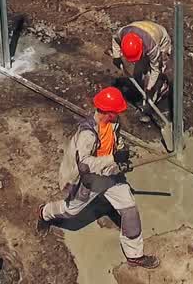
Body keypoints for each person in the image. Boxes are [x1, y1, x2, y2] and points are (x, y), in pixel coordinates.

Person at [37, 86, 160, 269]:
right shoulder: (87, 134)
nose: (119, 115)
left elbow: (116, 143)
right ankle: (43, 213)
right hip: (89, 180)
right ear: (108, 112)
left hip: (110, 175)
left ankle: (135, 255)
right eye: (116, 112)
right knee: (70, 211)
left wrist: (121, 156)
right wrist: (113, 158)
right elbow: (85, 165)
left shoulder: (112, 124)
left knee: (130, 210)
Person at [109, 21, 173, 105]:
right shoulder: (122, 33)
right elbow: (115, 40)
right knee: (139, 71)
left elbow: (156, 69)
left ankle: (157, 93)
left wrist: (150, 88)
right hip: (142, 30)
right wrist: (116, 56)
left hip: (160, 40)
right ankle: (140, 92)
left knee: (155, 73)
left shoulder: (151, 47)